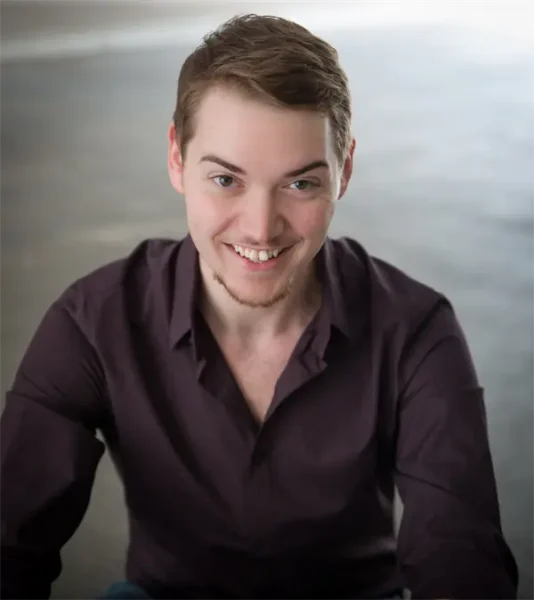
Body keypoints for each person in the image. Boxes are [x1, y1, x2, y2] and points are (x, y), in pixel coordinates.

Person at [0, 13, 518, 600]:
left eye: (300, 184)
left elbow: (461, 559)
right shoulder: (92, 323)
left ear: (343, 170)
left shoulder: (417, 330)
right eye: (226, 180)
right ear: (176, 158)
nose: (260, 228)